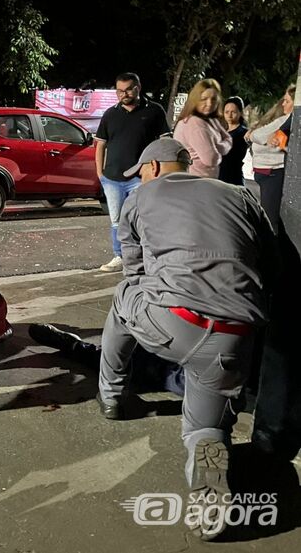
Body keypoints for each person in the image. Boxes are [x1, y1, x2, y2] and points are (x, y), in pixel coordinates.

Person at [96, 138, 276, 540]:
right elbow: (272, 262)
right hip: (234, 336)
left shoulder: (139, 199)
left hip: (176, 322)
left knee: (123, 298)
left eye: (140, 172)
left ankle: (111, 396)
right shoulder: (239, 195)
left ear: (156, 168)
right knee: (203, 430)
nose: (139, 179)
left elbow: (134, 271)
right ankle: (209, 497)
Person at [94, 72, 170, 273]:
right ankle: (120, 256)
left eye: (128, 89)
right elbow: (100, 144)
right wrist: (100, 173)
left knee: (144, 217)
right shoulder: (110, 114)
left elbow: (165, 141)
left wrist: (159, 171)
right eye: (119, 91)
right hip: (112, 178)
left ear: (138, 87)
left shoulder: (154, 111)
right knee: (117, 220)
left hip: (141, 177)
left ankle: (147, 255)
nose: (124, 94)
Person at [245, 84, 296, 232]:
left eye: (287, 100)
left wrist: (271, 140)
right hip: (266, 172)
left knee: (270, 220)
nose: (283, 104)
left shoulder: (287, 120)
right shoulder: (284, 120)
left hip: (273, 172)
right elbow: (257, 135)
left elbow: (257, 135)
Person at [172, 78, 232, 178]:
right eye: (204, 99)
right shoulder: (194, 123)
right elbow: (211, 159)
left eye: (213, 99)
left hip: (205, 180)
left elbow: (229, 140)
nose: (209, 104)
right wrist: (219, 150)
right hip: (196, 181)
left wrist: (215, 147)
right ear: (195, 99)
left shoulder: (211, 120)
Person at [218, 96, 248, 186]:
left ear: (240, 113)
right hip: (220, 175)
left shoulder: (243, 132)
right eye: (226, 112)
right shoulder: (222, 131)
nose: (229, 115)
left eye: (233, 112)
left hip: (233, 176)